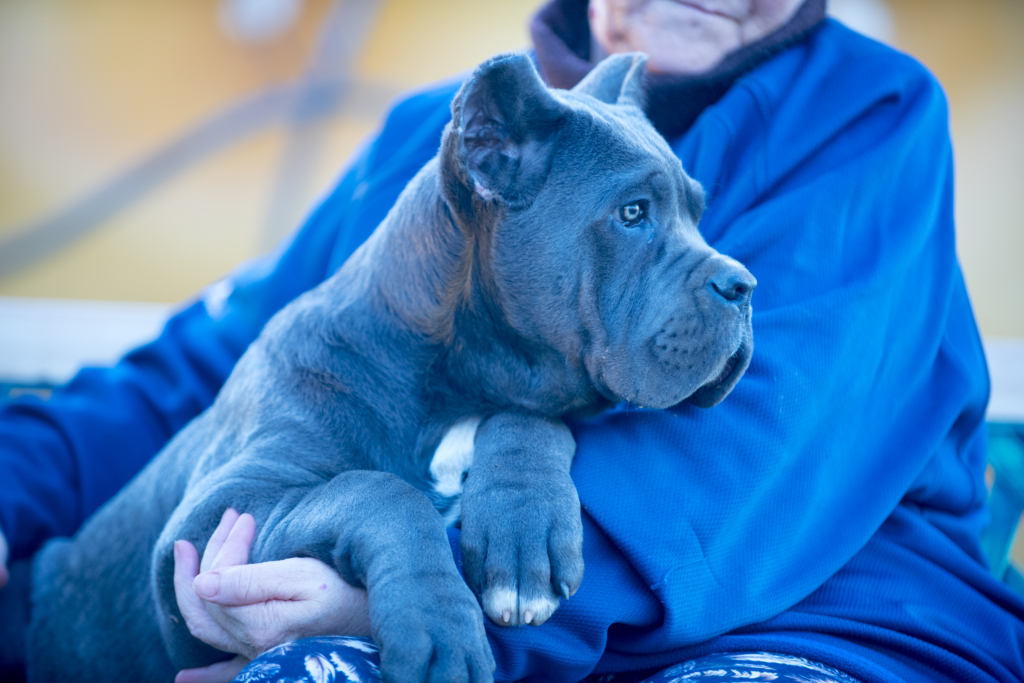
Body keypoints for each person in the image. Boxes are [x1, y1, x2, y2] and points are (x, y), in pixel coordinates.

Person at [2, 0, 1023, 681]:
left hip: (815, 624)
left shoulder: (869, 116)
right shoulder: (435, 139)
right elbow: (206, 369)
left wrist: (410, 594)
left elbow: (750, 464)